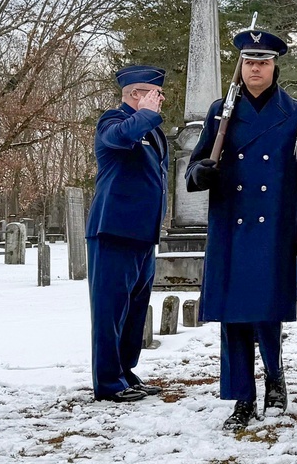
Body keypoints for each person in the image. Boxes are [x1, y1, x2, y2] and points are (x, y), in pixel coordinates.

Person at [186, 28, 297, 431]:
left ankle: (275, 375)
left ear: (274, 67)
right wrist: (202, 172)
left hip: (274, 227)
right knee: (234, 317)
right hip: (232, 224)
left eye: (263, 62)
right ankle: (242, 398)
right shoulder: (221, 111)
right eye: (249, 62)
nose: (255, 69)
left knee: (266, 313)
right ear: (241, 66)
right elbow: (195, 168)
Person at [87, 65, 169, 403]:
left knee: (134, 311)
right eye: (156, 95)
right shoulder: (113, 121)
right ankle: (107, 382)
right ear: (136, 95)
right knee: (110, 310)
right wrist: (146, 114)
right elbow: (119, 139)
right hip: (114, 231)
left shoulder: (153, 131)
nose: (162, 100)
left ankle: (125, 372)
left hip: (142, 234)